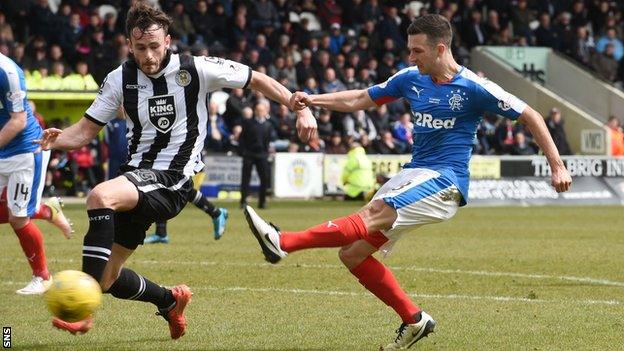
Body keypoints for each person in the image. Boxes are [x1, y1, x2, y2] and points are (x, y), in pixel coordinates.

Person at [244, 14, 572, 350]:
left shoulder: (475, 87)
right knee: (353, 254)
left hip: (445, 181)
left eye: (417, 51)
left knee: (373, 212)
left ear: (440, 49)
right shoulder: (410, 79)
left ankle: (283, 242)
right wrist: (313, 99)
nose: (411, 58)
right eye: (409, 51)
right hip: (414, 173)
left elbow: (531, 115)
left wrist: (557, 166)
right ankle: (414, 319)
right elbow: (360, 99)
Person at [35, 2, 316, 338]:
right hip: (137, 176)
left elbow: (256, 79)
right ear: (130, 44)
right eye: (141, 48)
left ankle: (84, 309)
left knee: (99, 196)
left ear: (167, 41)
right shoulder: (119, 79)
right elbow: (84, 130)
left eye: (155, 46)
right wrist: (58, 139)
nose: (149, 55)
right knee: (109, 277)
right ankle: (169, 301)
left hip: (174, 179)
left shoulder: (196, 68)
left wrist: (297, 108)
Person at [0, 52, 57, 295]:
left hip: (24, 152)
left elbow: (19, 120)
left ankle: (42, 277)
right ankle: (48, 209)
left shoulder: (8, 72)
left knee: (18, 217)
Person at [239, 99, 275, 209]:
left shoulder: (268, 125)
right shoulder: (248, 123)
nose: (260, 112)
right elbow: (242, 138)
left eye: (262, 110)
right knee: (246, 178)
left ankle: (262, 202)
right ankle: (243, 201)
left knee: (264, 178)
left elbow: (268, 140)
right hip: (249, 154)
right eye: (258, 110)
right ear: (255, 111)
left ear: (265, 112)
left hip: (262, 154)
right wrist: (242, 151)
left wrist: (267, 151)